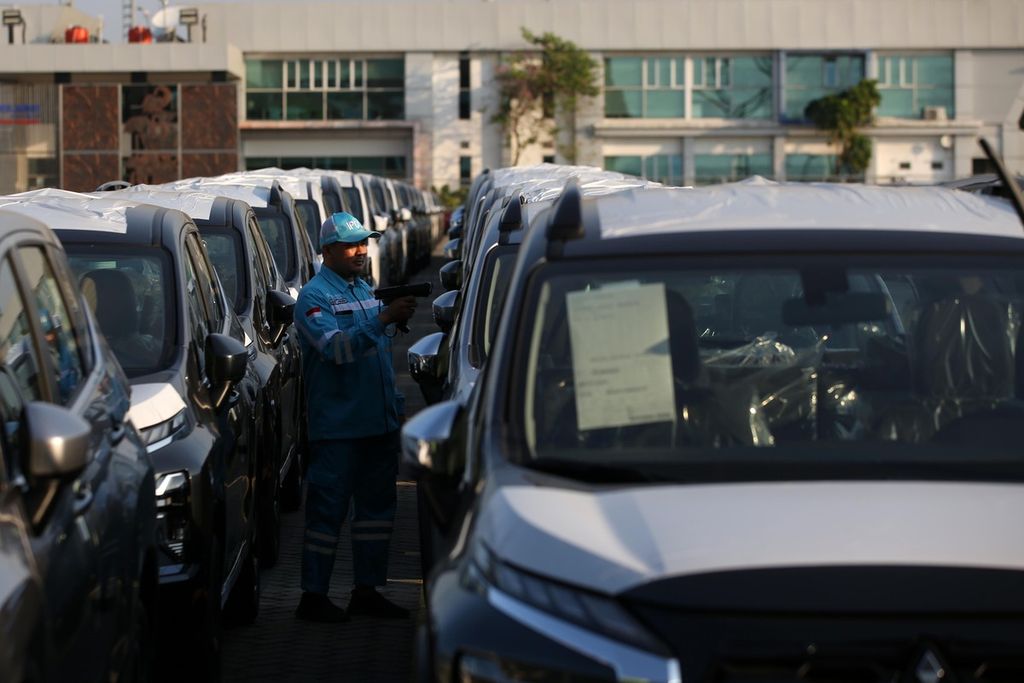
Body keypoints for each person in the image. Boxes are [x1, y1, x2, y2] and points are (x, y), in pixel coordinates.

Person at [293, 211, 417, 622]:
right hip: (339, 430)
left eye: (364, 242)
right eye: (351, 244)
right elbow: (336, 350)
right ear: (327, 251)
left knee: (376, 515)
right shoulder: (314, 298)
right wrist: (382, 319)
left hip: (377, 425)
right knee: (326, 514)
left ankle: (367, 590)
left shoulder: (364, 288)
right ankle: (313, 597)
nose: (361, 250)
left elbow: (378, 356)